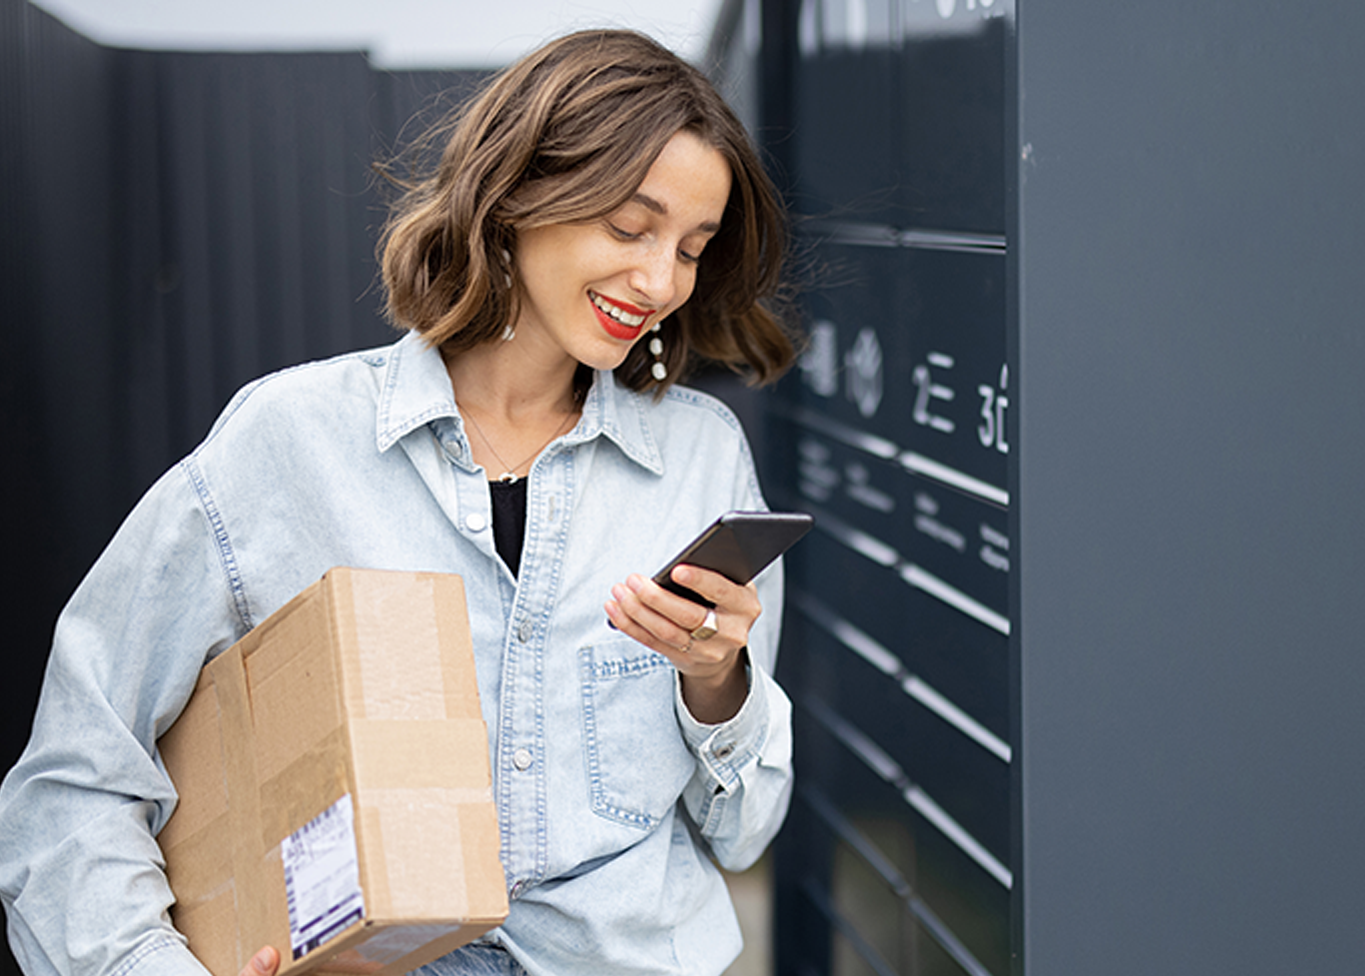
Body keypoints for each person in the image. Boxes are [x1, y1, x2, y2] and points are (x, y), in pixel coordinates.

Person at [0, 29, 797, 976]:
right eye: (629, 228)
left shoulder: (702, 460)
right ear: (516, 198)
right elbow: (74, 783)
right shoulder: (290, 443)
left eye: (692, 249)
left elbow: (743, 832)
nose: (661, 281)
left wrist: (718, 682)